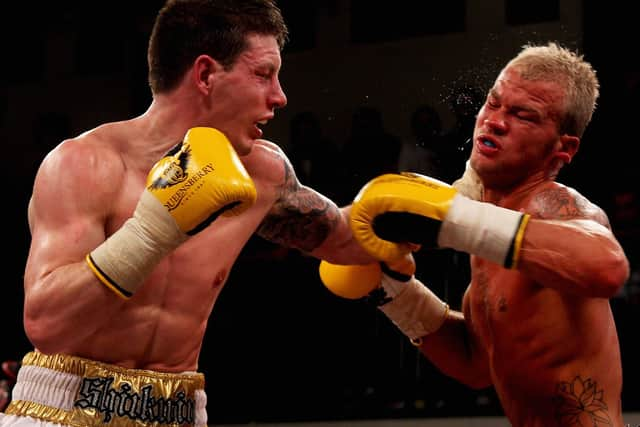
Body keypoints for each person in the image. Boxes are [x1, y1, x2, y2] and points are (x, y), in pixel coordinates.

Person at [1, 1, 375, 426]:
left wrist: (453, 208)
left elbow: (351, 240)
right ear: (205, 75)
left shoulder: (264, 173)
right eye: (263, 74)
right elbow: (47, 324)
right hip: (60, 412)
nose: (280, 95)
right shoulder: (84, 164)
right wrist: (150, 232)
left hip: (180, 412)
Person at [321, 42, 630, 426]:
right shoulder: (491, 232)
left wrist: (453, 219)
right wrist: (396, 292)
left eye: (523, 116)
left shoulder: (550, 208)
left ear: (562, 148)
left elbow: (607, 267)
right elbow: (477, 366)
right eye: (494, 103)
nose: (495, 121)